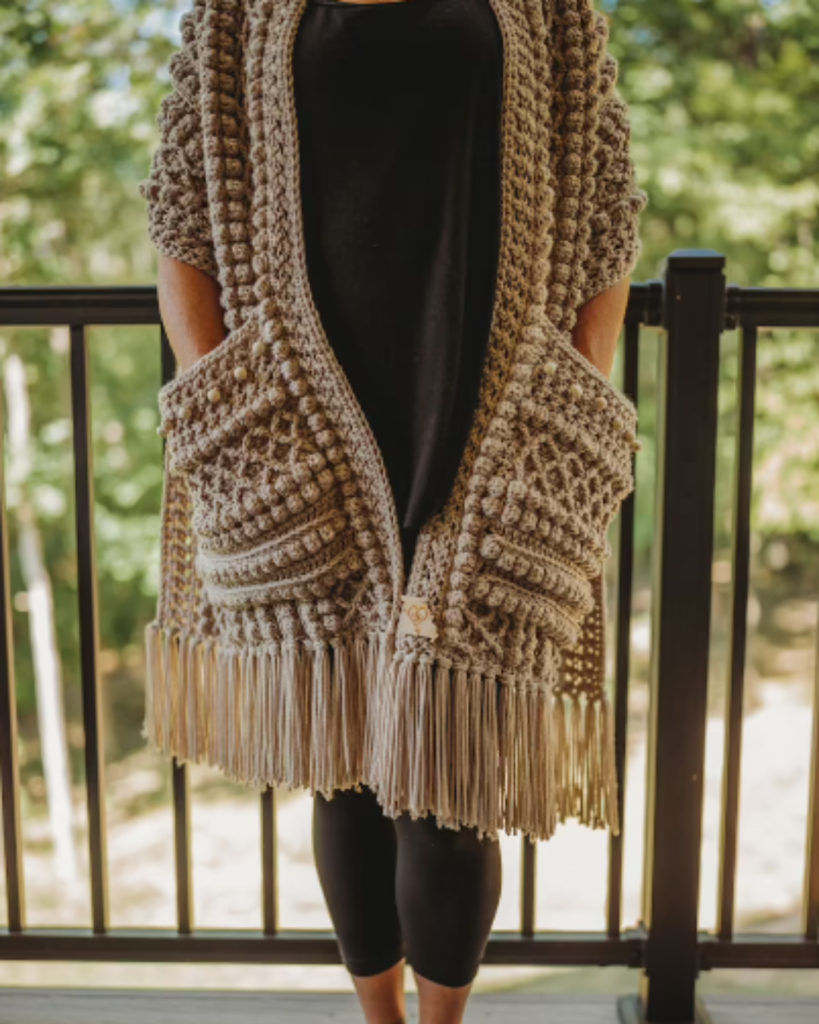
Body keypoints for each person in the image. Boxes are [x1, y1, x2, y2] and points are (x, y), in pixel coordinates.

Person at [139, 0, 648, 1020]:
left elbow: (602, 215)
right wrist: (222, 399)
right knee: (345, 772)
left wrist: (578, 388)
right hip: (303, 425)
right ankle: (378, 1017)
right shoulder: (240, 10)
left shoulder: (549, 9)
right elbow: (184, 218)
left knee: (452, 780)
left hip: (489, 419)